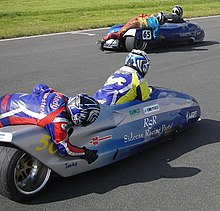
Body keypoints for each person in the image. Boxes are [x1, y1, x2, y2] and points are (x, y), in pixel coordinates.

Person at [0, 84, 100, 164]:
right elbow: (65, 150)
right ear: (79, 117)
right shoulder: (59, 122)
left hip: (8, 98)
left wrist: (37, 103)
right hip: (3, 115)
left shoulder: (60, 96)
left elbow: (40, 87)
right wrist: (85, 153)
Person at [99, 12, 167, 51]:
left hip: (135, 20)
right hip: (135, 24)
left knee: (122, 30)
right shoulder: (156, 25)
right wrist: (162, 37)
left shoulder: (151, 16)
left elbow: (141, 15)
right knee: (119, 34)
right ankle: (104, 40)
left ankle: (114, 38)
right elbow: (155, 36)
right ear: (162, 19)